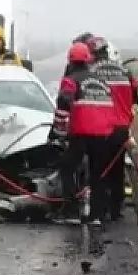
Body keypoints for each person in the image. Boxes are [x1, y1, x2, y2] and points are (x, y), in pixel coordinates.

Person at [49, 41, 119, 245]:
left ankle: (70, 210)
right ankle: (97, 215)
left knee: (67, 167)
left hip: (81, 132)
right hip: (104, 133)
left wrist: (57, 132)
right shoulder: (100, 80)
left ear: (70, 60)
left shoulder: (70, 80)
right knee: (98, 174)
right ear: (88, 59)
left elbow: (64, 104)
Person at [88, 36, 138, 221]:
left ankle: (99, 212)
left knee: (98, 170)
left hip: (100, 129)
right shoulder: (125, 72)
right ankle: (116, 210)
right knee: (117, 169)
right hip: (121, 130)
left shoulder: (91, 72)